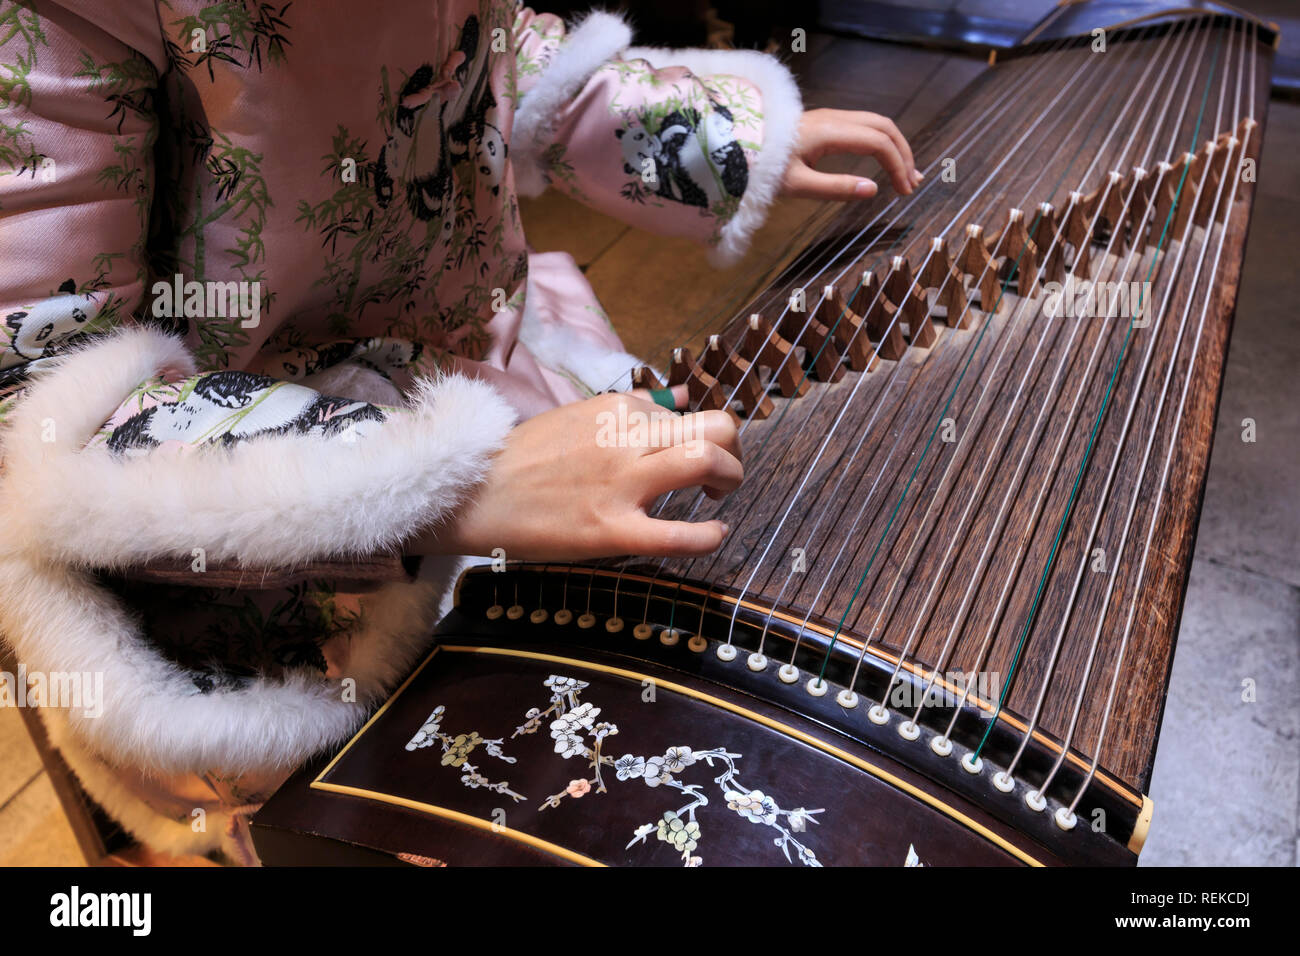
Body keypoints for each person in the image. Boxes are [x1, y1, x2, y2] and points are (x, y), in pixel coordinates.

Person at [0, 0, 918, 863]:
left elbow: (484, 53)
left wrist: (713, 139)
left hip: (471, 366)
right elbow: (37, 394)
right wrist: (453, 481)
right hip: (258, 528)